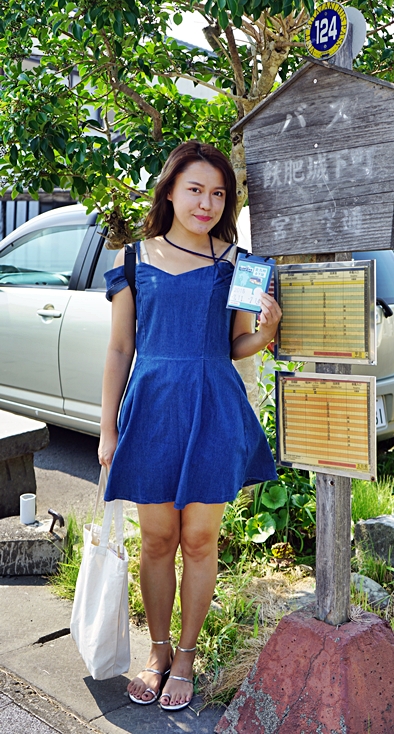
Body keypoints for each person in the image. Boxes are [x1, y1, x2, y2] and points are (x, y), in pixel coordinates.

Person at [97, 141, 281, 712]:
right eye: (195, 189)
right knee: (157, 540)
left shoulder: (240, 262)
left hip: (212, 406)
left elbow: (236, 345)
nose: (206, 203)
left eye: (217, 193)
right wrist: (107, 432)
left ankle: (186, 657)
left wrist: (266, 334)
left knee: (199, 540)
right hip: (150, 410)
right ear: (170, 191)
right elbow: (121, 347)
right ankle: (155, 651)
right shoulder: (133, 260)